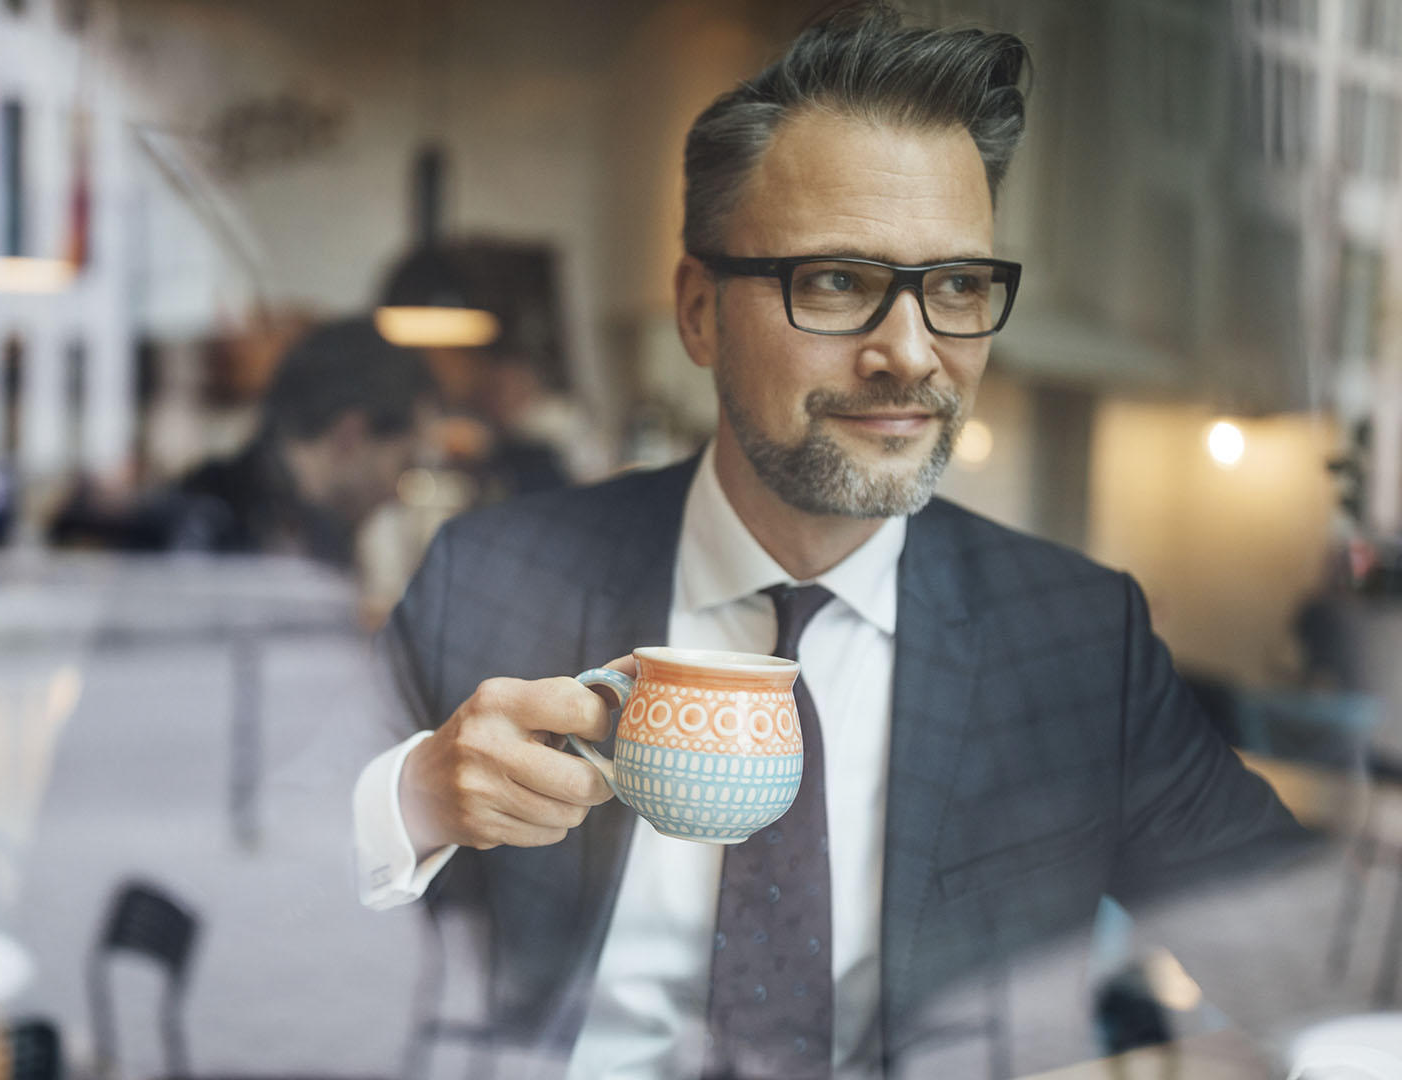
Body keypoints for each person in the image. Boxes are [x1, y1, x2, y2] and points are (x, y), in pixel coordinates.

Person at [352, 6, 1309, 1078]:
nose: (909, 354)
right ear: (700, 312)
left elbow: (1310, 953)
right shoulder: (491, 577)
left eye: (955, 286)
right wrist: (417, 797)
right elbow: (264, 900)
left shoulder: (1081, 642)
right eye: (839, 281)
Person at [52, 317, 436, 568]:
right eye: (403, 463)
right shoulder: (216, 528)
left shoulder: (295, 530)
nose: (397, 491)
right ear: (350, 436)